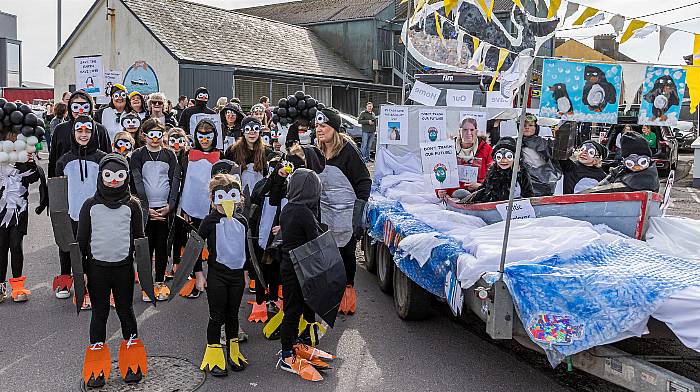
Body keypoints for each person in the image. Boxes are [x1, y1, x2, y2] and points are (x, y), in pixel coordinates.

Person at [76, 153, 148, 388]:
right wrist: (82, 271)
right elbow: (81, 240)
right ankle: (96, 366)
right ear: (101, 177)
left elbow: (140, 239)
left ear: (126, 176)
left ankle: (132, 361)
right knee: (100, 313)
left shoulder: (132, 205)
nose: (114, 180)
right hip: (97, 269)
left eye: (119, 175)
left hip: (124, 268)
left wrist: (143, 271)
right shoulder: (90, 205)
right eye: (108, 175)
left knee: (126, 311)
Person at [277, 168, 334, 381]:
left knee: (296, 307)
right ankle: (286, 354)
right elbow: (315, 238)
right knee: (293, 309)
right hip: (298, 267)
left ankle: (293, 344)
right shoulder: (303, 212)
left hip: (289, 264)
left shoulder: (289, 208)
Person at [315, 108, 371, 315]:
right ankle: (330, 293)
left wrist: (360, 210)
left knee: (346, 253)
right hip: (325, 210)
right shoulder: (317, 150)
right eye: (317, 126)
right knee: (328, 252)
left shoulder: (348, 150)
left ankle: (347, 293)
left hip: (347, 211)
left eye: (324, 126)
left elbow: (364, 181)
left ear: (335, 129)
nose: (319, 130)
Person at [197, 173, 249, 377]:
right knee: (216, 316)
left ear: (237, 199)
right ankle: (214, 354)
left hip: (236, 276)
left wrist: (246, 273)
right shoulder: (209, 221)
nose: (225, 203)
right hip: (217, 276)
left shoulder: (242, 221)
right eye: (220, 197)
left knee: (232, 316)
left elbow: (247, 249)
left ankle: (234, 352)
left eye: (231, 197)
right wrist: (199, 274)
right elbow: (195, 248)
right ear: (212, 199)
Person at [55, 116, 108, 308]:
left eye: (88, 131)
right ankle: (67, 281)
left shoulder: (102, 158)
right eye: (80, 131)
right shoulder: (64, 160)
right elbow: (58, 190)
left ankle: (90, 286)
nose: (84, 135)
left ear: (94, 133)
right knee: (68, 248)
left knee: (92, 251)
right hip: (71, 213)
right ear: (73, 133)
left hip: (96, 215)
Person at [129, 119, 181, 302]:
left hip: (165, 209)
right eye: (151, 135)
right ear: (144, 136)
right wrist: (145, 209)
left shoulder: (169, 155)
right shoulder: (137, 155)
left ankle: (159, 281)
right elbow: (133, 184)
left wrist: (170, 206)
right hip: (145, 210)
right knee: (145, 248)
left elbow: (175, 181)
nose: (155, 139)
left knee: (162, 246)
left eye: (159, 134)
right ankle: (146, 284)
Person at [179, 119, 221, 298]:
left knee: (215, 246)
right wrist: (182, 207)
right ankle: (197, 277)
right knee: (193, 244)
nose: (204, 139)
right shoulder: (187, 154)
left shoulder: (221, 155)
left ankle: (213, 278)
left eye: (208, 135)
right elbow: (181, 181)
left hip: (213, 208)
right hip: (191, 206)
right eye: (201, 135)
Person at [0, 146, 40, 303]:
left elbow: (34, 177)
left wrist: (30, 163)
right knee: (1, 248)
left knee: (16, 245)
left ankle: (17, 286)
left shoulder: (23, 161)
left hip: (19, 211)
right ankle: (1, 286)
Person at [49, 91, 111, 178]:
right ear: (70, 108)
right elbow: (53, 159)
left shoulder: (100, 129)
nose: (81, 111)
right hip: (66, 181)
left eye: (85, 107)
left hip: (95, 181)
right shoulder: (60, 129)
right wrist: (52, 184)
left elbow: (108, 158)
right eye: (76, 107)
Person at [463, 136, 534, 203]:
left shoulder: (521, 174)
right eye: (499, 157)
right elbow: (484, 189)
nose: (504, 161)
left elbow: (528, 194)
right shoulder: (492, 173)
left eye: (508, 157)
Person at [587, 132, 660, 193]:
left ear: (648, 159)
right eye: (630, 163)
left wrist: (582, 196)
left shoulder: (647, 179)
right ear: (624, 161)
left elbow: (607, 190)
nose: (636, 166)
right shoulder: (622, 170)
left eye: (642, 162)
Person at [439, 116, 493, 198]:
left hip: (479, 191)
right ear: (459, 131)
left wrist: (480, 185)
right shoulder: (448, 149)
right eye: (465, 130)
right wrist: (439, 191)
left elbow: (492, 173)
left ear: (476, 131)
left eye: (472, 130)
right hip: (454, 193)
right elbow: (439, 170)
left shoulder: (486, 149)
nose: (469, 133)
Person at [224, 116, 270, 195]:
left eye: (255, 129)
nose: (252, 133)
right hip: (238, 194)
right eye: (248, 129)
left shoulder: (266, 151)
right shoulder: (232, 151)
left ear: (259, 132)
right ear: (243, 131)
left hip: (259, 195)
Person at [520, 114, 561, 196]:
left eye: (531, 125)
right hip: (525, 183)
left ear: (536, 127)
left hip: (545, 181)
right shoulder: (514, 143)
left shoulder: (546, 142)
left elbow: (561, 150)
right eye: (523, 125)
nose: (527, 128)